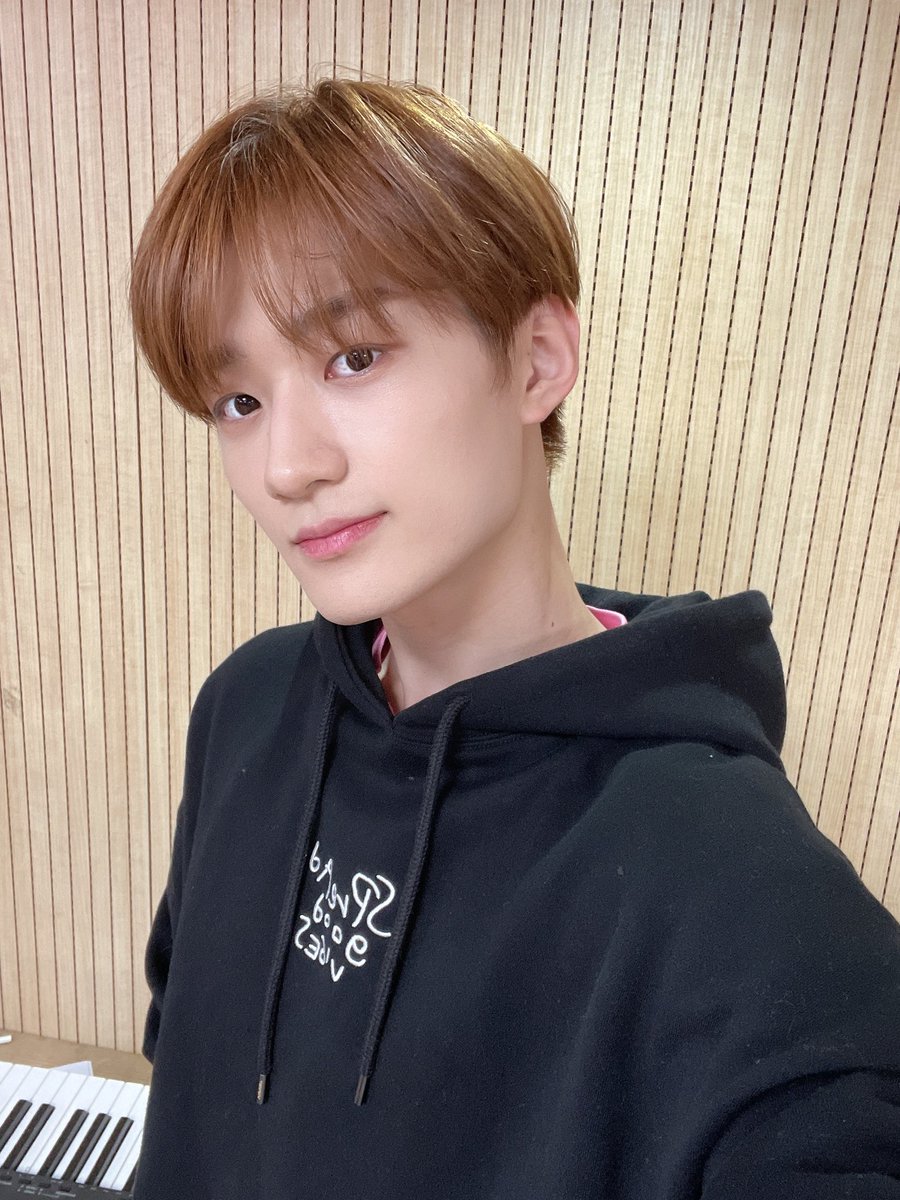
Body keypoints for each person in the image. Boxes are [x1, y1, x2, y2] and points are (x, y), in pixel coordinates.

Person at [128, 79, 900, 1199]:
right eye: (237, 402)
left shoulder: (732, 882)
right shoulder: (245, 709)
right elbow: (191, 1078)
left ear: (536, 360)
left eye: (353, 357)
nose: (287, 466)